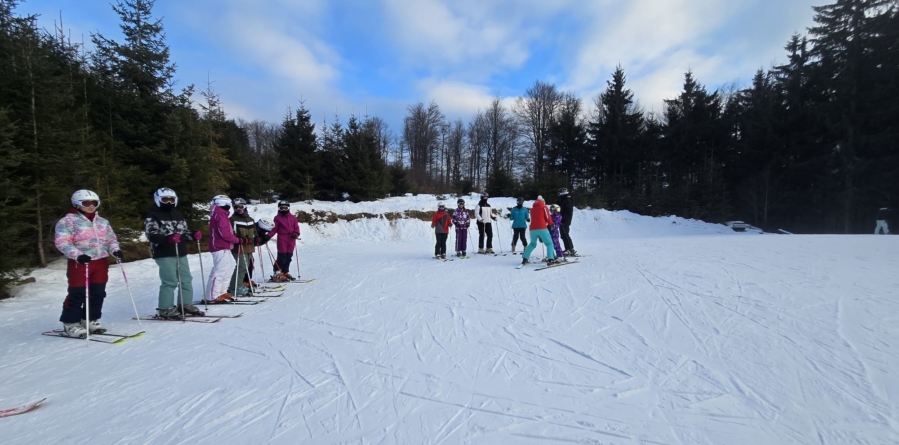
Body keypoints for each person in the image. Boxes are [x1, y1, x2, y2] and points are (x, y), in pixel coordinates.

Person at [55, 189, 123, 337]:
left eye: (95, 203)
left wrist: (115, 250)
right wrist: (77, 255)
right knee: (77, 293)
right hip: (80, 263)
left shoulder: (102, 222)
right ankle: (70, 323)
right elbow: (62, 242)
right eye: (87, 203)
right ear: (77, 203)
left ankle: (90, 319)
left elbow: (111, 239)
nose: (91, 206)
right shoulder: (68, 221)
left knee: (98, 292)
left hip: (100, 262)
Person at [144, 188, 204, 318]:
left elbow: (183, 234)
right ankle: (165, 308)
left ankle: (185, 304)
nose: (169, 202)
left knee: (186, 279)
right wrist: (167, 238)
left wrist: (192, 235)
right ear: (158, 200)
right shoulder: (152, 216)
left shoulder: (178, 215)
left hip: (180, 251)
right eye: (165, 199)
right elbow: (151, 235)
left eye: (171, 199)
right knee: (170, 281)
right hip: (164, 252)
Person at [206, 195, 246, 303]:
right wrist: (237, 240)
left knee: (230, 266)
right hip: (219, 246)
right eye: (228, 204)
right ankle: (212, 296)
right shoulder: (220, 215)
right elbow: (225, 233)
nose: (229, 207)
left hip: (225, 246)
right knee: (220, 270)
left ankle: (221, 291)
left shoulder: (221, 214)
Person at [228, 198, 256, 296]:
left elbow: (254, 233)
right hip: (238, 247)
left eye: (240, 206)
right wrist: (239, 239)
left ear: (244, 206)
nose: (238, 209)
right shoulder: (232, 220)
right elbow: (231, 233)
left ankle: (239, 284)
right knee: (241, 267)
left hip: (249, 247)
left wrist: (258, 238)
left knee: (247, 266)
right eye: (236, 207)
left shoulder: (250, 220)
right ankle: (235, 287)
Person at [520, 196, 558, 266]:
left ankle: (525, 258)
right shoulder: (544, 207)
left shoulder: (532, 209)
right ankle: (551, 259)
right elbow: (547, 217)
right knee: (549, 243)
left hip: (532, 229)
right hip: (542, 228)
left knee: (532, 244)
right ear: (543, 201)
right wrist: (552, 224)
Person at [271, 200, 300, 281]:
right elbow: (274, 229)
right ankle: (277, 272)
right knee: (282, 257)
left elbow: (296, 228)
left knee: (289, 257)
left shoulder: (293, 217)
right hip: (282, 238)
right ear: (279, 209)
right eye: (281, 208)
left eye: (285, 208)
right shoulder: (277, 218)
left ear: (288, 208)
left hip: (291, 239)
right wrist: (267, 236)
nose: (283, 210)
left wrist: (296, 233)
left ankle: (284, 271)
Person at [557, 187, 577, 256]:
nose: (558, 194)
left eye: (560, 192)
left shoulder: (567, 200)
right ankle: (568, 248)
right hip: (562, 220)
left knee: (565, 234)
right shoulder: (563, 199)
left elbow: (568, 212)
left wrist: (564, 219)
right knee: (563, 235)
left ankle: (570, 249)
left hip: (565, 220)